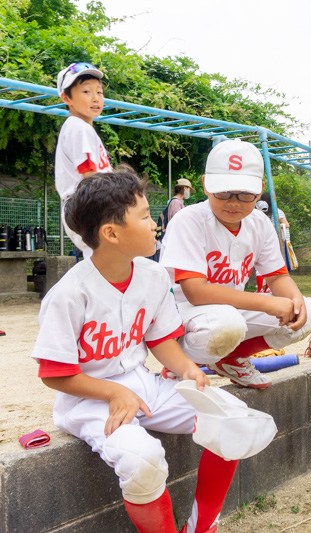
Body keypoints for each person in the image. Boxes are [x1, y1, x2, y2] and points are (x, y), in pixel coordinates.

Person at [32, 170, 254, 533]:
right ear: (111, 233)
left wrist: (186, 368)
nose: (156, 224)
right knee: (144, 460)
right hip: (90, 398)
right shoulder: (69, 293)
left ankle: (201, 527)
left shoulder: (153, 275)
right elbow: (56, 373)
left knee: (232, 418)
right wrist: (115, 393)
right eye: (147, 215)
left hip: (141, 384)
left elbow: (160, 339)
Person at [159, 139, 311, 389]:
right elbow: (196, 291)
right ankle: (178, 363)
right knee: (226, 325)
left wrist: (294, 299)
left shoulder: (260, 223)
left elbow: (277, 277)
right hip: (182, 311)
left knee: (306, 312)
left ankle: (232, 360)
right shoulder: (189, 220)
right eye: (223, 192)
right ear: (205, 185)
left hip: (228, 308)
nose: (233, 202)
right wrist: (267, 302)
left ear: (260, 189)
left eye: (245, 194)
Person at [54, 62, 112, 258]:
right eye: (86, 91)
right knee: (108, 265)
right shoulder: (78, 127)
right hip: (91, 206)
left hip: (82, 207)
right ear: (66, 97)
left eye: (99, 92)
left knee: (100, 263)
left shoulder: (76, 127)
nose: (95, 98)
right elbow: (89, 174)